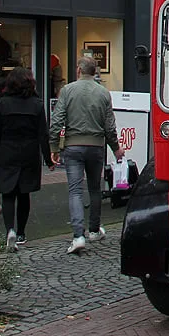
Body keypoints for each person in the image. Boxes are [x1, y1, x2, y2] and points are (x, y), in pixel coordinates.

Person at [50, 57, 124, 255]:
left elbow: (57, 120)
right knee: (94, 188)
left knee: (75, 190)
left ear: (78, 70)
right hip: (96, 146)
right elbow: (110, 125)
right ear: (94, 72)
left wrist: (54, 146)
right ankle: (94, 229)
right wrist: (115, 148)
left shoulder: (67, 90)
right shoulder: (103, 93)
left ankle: (77, 235)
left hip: (73, 145)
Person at [0, 67, 53, 252]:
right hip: (29, 152)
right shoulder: (36, 104)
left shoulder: (2, 104)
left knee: (8, 194)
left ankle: (10, 230)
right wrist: (48, 158)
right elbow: (43, 135)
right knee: (24, 194)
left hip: (6, 151)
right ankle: (22, 232)